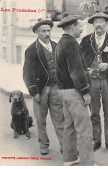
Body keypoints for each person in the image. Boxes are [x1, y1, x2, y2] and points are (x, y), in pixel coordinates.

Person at [80, 11, 108, 153]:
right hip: (92, 81)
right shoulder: (86, 40)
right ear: (93, 25)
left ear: (106, 24)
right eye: (96, 22)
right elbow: (80, 61)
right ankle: (95, 140)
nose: (99, 24)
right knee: (94, 113)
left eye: (101, 21)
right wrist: (86, 70)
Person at [55, 13, 94, 166]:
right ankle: (87, 163)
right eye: (80, 26)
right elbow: (75, 71)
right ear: (72, 27)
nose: (82, 29)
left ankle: (70, 158)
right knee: (84, 129)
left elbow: (63, 70)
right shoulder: (71, 43)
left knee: (69, 126)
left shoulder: (60, 43)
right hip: (74, 91)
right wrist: (85, 92)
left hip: (63, 91)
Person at [23, 19, 64, 156]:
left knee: (59, 118)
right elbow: (27, 73)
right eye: (43, 31)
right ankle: (43, 144)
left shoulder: (56, 45)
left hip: (56, 87)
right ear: (37, 33)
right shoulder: (31, 50)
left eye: (48, 30)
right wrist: (34, 92)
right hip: (41, 89)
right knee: (41, 119)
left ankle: (65, 146)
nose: (47, 33)